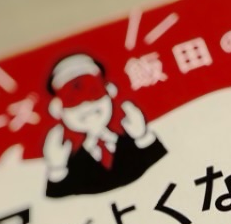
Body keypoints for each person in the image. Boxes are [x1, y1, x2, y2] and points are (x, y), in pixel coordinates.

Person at [43, 53, 166, 198]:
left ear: (109, 93)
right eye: (72, 100)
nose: (86, 105)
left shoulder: (132, 141)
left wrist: (143, 137)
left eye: (94, 92)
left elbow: (166, 168)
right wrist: (57, 169)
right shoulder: (71, 162)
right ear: (59, 110)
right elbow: (60, 202)